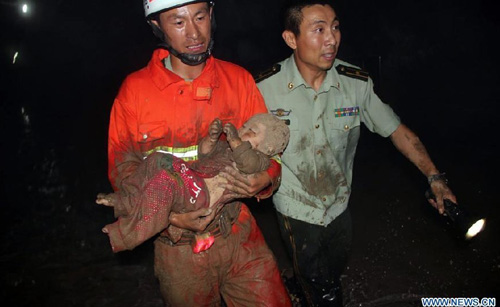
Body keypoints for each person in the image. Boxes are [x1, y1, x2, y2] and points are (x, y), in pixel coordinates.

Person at [256, 1, 456, 306]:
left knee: (333, 267)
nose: (332, 39)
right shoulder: (263, 89)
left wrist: (435, 176)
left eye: (335, 27)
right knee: (323, 289)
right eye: (319, 29)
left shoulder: (355, 83)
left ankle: (300, 283)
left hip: (339, 203)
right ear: (291, 39)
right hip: (295, 207)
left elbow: (398, 131)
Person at [105, 0, 291, 305]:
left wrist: (266, 178)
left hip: (238, 232)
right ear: (156, 26)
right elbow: (122, 169)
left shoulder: (238, 81)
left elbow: (273, 150)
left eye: (200, 16)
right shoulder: (135, 92)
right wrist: (170, 217)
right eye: (178, 22)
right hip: (178, 247)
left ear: (212, 15)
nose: (194, 32)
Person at [97, 114, 289, 254]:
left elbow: (248, 164)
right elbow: (204, 153)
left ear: (268, 148)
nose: (242, 130)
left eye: (251, 131)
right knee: (158, 159)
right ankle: (126, 200)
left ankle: (124, 236)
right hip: (192, 179)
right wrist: (212, 139)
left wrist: (236, 141)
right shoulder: (227, 147)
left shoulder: (260, 160)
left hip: (202, 195)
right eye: (245, 125)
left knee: (165, 183)